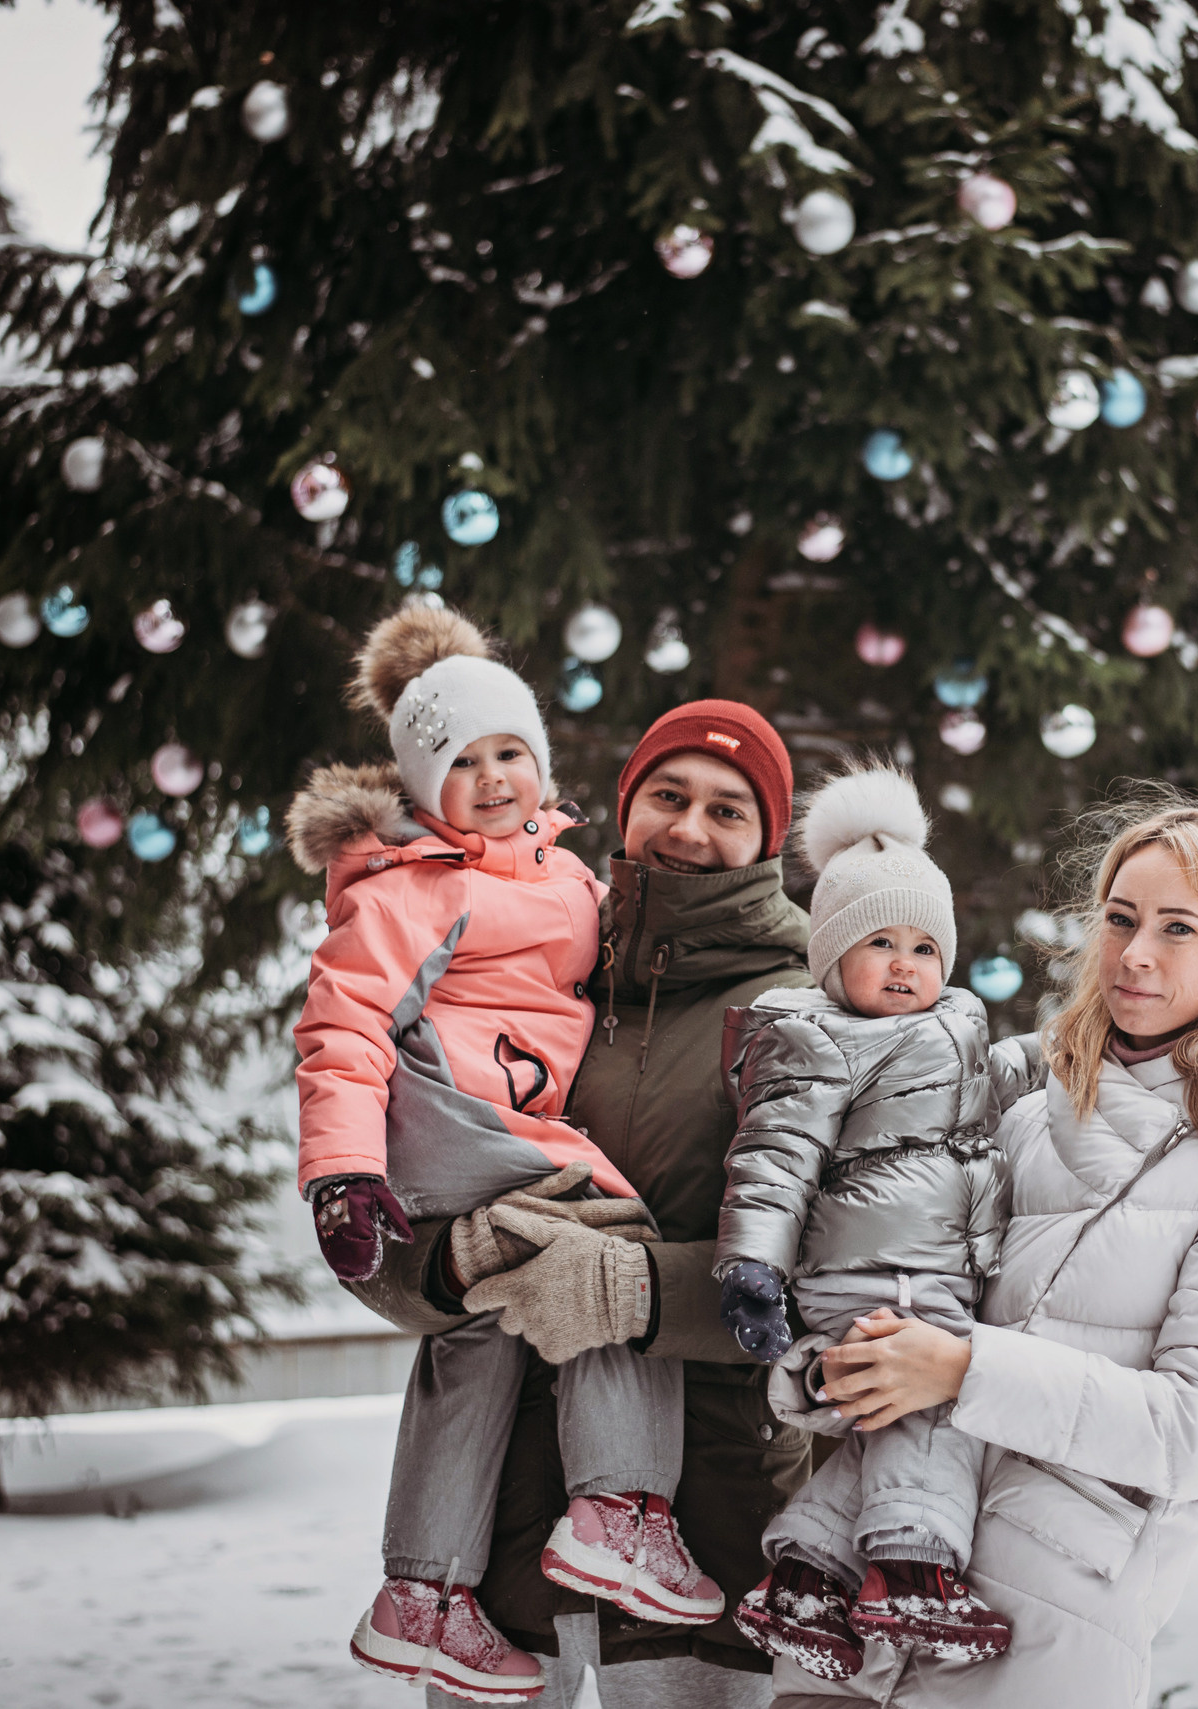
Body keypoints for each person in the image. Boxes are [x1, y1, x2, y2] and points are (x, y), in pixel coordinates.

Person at [765, 789, 1198, 1709]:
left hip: (1042, 1638)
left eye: (1177, 927)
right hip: (857, 1625)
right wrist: (844, 1369)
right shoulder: (1024, 1115)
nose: (1136, 952)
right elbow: (914, 1295)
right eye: (1120, 918)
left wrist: (965, 1368)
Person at [285, 607, 723, 1704]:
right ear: (422, 787)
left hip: (495, 1120)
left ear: (541, 763)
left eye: (509, 753)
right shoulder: (412, 885)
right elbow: (341, 1026)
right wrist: (340, 1170)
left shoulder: (567, 878)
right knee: (609, 1245)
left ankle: (424, 1587)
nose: (490, 779)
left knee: (478, 1330)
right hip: (462, 1120)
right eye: (461, 762)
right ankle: (620, 1506)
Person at [436, 701, 819, 1709]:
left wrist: (630, 1290)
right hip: (496, 1537)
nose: (689, 828)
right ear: (625, 803)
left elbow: (839, 1281)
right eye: (668, 795)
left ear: (768, 841)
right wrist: (445, 1259)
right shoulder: (527, 966)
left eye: (727, 809)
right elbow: (399, 1185)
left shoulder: (801, 1011)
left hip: (709, 1532)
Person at [708, 766, 1013, 1679]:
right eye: (879, 941)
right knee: (935, 1405)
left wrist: (1080, 1051)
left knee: (888, 1414)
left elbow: (1005, 1080)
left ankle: (807, 1575)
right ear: (832, 956)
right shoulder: (817, 1040)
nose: (905, 963)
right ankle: (913, 1570)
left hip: (928, 1268)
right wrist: (751, 1266)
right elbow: (773, 1156)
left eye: (923, 945)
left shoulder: (957, 1025)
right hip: (874, 1274)